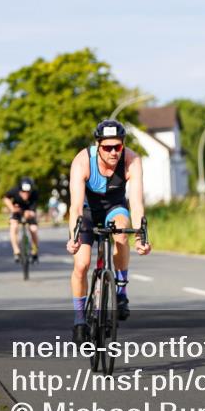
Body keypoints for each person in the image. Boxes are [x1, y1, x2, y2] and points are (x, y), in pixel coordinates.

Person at [65, 119, 151, 345]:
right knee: (81, 264)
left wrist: (141, 238)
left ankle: (121, 292)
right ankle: (79, 319)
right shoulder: (82, 161)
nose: (113, 152)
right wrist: (73, 237)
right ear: (97, 145)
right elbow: (74, 207)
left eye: (118, 147)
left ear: (123, 145)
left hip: (115, 208)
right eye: (107, 147)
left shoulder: (131, 161)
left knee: (121, 231)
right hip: (88, 211)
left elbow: (137, 204)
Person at [4, 178, 40, 263]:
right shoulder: (14, 191)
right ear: (19, 191)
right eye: (23, 192)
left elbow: (33, 211)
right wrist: (12, 208)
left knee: (33, 229)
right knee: (14, 226)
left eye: (28, 192)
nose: (25, 194)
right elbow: (5, 198)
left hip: (29, 212)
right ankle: (16, 251)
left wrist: (30, 213)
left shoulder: (35, 194)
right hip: (17, 210)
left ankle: (34, 251)